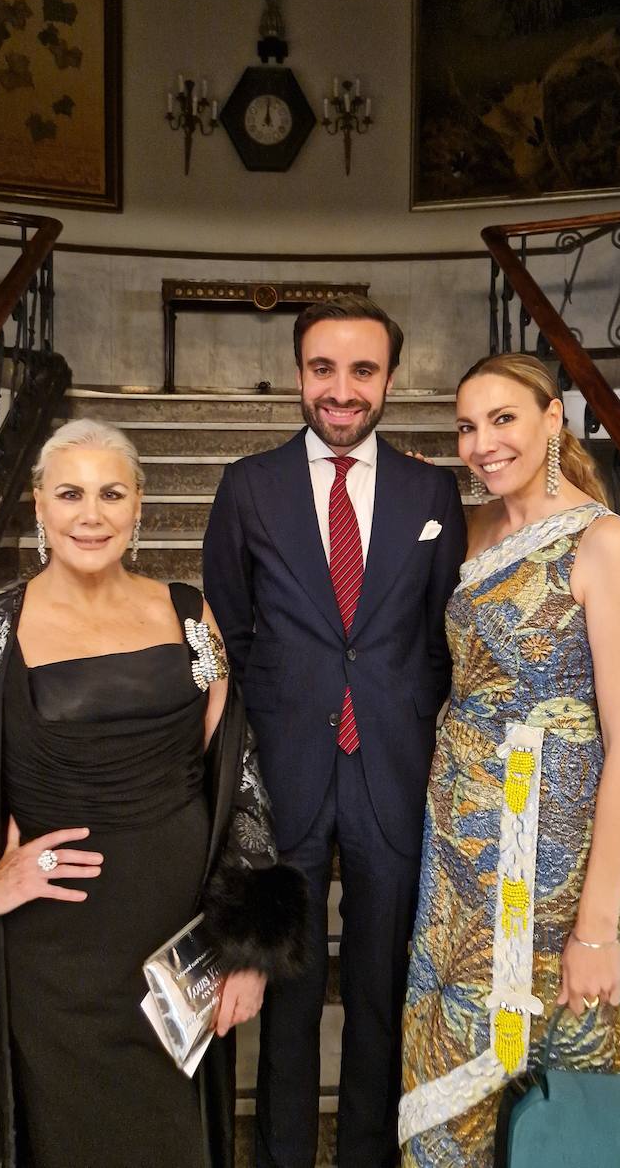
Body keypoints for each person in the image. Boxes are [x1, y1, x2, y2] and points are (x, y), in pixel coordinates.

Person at [0, 418, 307, 1168]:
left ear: (138, 505)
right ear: (38, 505)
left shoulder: (189, 614)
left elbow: (234, 769)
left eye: (111, 493)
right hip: (53, 960)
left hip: (178, 945)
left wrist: (247, 947)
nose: (91, 514)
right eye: (70, 493)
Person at [202, 294, 467, 1168]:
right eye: (324, 369)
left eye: (362, 370)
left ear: (390, 378)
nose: (341, 390)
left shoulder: (434, 488)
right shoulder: (248, 485)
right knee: (287, 989)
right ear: (298, 374)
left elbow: (443, 634)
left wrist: (401, 714)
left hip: (394, 766)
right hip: (286, 768)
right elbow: (233, 630)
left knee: (380, 990)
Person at [400, 353, 620, 1166]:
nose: (479, 443)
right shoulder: (472, 528)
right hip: (457, 852)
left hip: (545, 856)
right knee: (448, 1055)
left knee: (548, 1079)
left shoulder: (606, 543)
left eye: (502, 418)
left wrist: (595, 927)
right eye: (466, 427)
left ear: (553, 419)